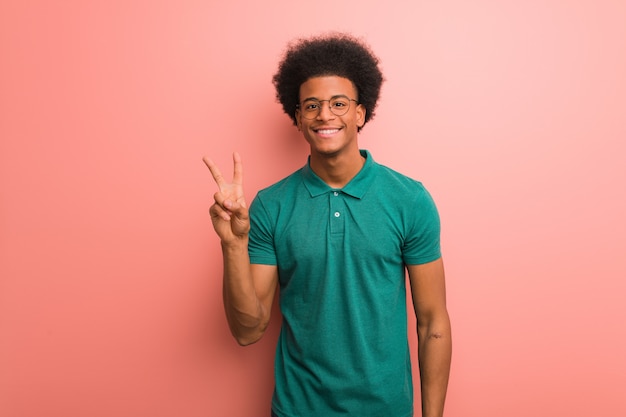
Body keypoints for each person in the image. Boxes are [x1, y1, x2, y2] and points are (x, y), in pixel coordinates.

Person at [204, 33, 451, 417]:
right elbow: (247, 330)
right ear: (298, 117)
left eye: (339, 103)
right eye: (312, 105)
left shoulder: (409, 200)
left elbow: (433, 322)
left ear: (360, 113)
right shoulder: (270, 205)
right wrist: (233, 245)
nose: (325, 115)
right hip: (297, 409)